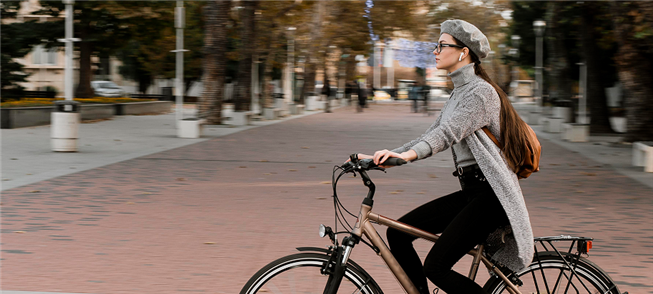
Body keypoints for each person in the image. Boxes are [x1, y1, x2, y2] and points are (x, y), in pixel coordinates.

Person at [350, 20, 534, 294]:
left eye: (442, 45)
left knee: (435, 266)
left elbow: (446, 135)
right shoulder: (457, 94)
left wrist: (408, 156)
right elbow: (428, 135)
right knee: (398, 234)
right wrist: (380, 157)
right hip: (472, 193)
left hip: (492, 195)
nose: (435, 51)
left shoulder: (480, 93)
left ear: (463, 52)